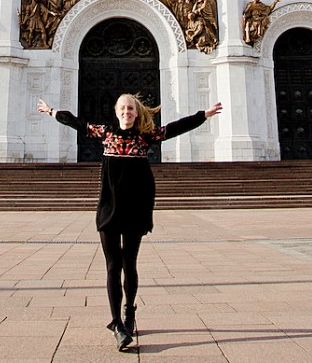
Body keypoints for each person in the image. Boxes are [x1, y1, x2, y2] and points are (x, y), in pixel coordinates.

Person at [38, 93, 223, 351]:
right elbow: (77, 123)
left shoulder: (145, 137)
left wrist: (203, 115)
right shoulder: (105, 133)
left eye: (130, 109)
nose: (126, 112)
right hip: (109, 208)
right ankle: (116, 324)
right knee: (113, 266)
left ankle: (129, 310)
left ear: (136, 113)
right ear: (116, 111)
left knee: (130, 264)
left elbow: (174, 128)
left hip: (135, 208)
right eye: (122, 108)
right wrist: (51, 111)